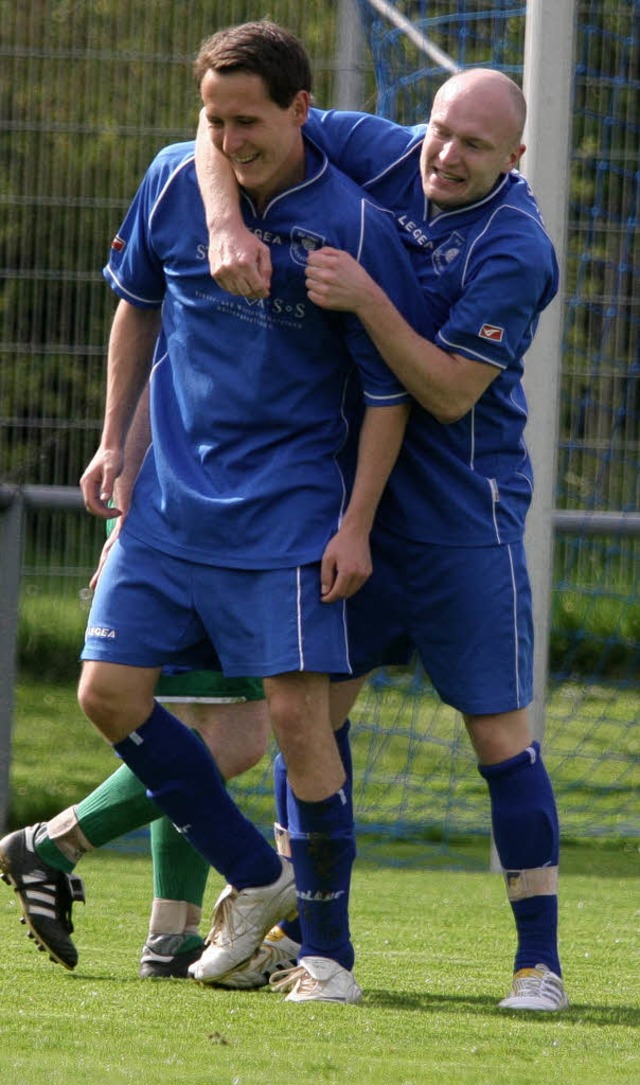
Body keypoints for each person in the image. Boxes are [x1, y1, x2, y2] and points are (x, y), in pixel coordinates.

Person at [194, 66, 569, 1012]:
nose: (442, 153)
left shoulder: (517, 247)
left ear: (513, 158)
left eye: (473, 144)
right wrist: (227, 225)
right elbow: (221, 131)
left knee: (498, 738)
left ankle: (539, 966)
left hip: (458, 527)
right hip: (345, 514)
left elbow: (446, 391)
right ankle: (323, 952)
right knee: (304, 720)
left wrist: (365, 296)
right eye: (440, 128)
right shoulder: (383, 144)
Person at [70, 20, 426, 1005]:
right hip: (168, 507)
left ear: (302, 109)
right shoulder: (176, 180)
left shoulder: (353, 225)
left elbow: (388, 396)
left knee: (295, 720)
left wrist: (354, 521)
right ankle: (256, 874)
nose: (229, 141)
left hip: (288, 515)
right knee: (108, 692)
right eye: (215, 120)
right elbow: (135, 302)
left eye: (249, 121)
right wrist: (112, 442)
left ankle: (329, 956)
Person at [0, 387, 271, 979]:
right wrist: (127, 505)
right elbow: (158, 353)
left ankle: (171, 934)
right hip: (190, 516)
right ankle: (51, 845)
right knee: (227, 738)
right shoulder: (207, 300)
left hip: (207, 505)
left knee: (198, 729)